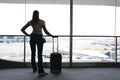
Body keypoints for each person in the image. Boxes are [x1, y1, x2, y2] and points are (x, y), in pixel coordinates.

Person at [21, 10, 56, 76]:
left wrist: (28, 35)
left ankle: (34, 68)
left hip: (32, 37)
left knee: (33, 54)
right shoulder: (42, 22)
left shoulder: (31, 22)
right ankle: (40, 71)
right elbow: (46, 31)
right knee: (39, 54)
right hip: (39, 38)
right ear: (38, 14)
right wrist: (52, 36)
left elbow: (22, 29)